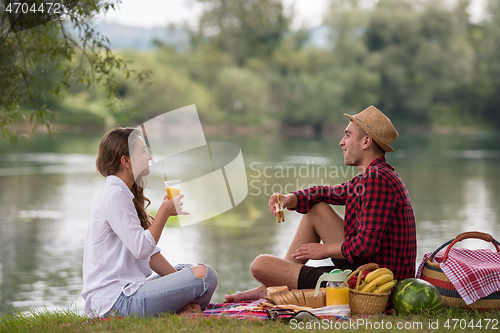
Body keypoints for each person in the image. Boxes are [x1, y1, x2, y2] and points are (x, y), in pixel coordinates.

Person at [226, 105, 416, 302]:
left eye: (348, 135)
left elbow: (365, 246)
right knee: (317, 209)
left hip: (372, 284)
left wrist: (324, 250)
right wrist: (289, 199)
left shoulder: (378, 180)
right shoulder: (371, 176)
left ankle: (272, 285)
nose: (342, 142)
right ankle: (271, 286)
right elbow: (325, 193)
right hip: (365, 268)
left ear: (366, 141)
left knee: (260, 265)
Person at [82, 127, 218, 317]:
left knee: (187, 271)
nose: (150, 156)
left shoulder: (120, 192)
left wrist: (180, 281)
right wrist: (164, 212)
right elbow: (142, 249)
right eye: (143, 151)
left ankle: (181, 309)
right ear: (126, 161)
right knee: (206, 276)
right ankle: (182, 309)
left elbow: (150, 254)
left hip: (127, 293)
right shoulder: (115, 195)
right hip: (115, 302)